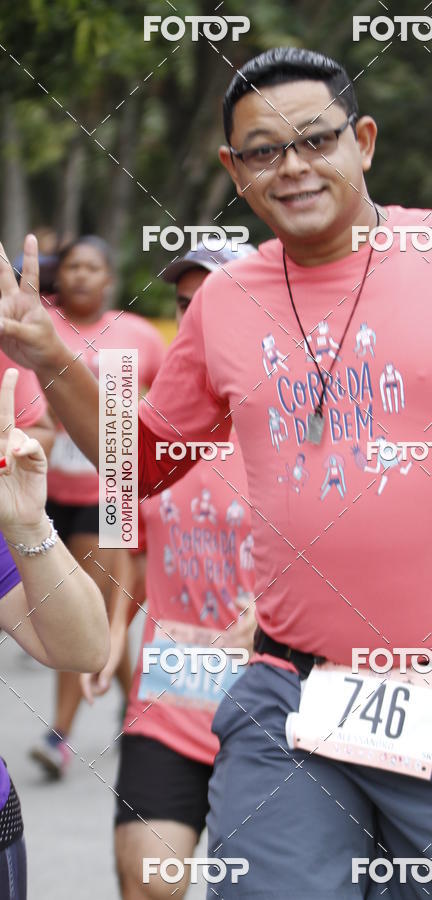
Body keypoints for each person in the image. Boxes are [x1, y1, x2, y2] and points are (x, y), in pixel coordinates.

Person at [4, 46, 432, 897]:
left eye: (315, 140)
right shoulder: (226, 301)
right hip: (289, 690)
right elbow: (140, 461)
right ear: (233, 170)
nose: (292, 168)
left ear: (362, 139)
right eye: (262, 151)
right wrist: (48, 352)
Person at [80, 242, 257, 900]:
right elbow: (132, 553)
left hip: (276, 709)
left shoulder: (299, 424)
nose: (196, 322)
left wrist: (273, 615)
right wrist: (107, 632)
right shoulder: (141, 432)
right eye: (185, 307)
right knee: (147, 882)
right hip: (170, 702)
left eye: (215, 304)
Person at [29, 236, 166, 779]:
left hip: (111, 494)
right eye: (72, 267)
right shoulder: (39, 328)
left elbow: (163, 408)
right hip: (43, 495)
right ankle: (132, 706)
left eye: (92, 267)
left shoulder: (138, 336)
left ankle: (58, 733)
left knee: (78, 607)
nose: (81, 276)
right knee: (104, 617)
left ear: (110, 278)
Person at [0, 366, 109, 899]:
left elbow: (85, 647)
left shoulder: (125, 334)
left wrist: (28, 525)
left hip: (62, 498)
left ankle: (65, 730)